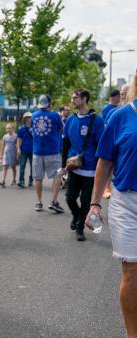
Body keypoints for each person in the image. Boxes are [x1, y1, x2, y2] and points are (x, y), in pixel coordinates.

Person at [85, 73, 137, 338]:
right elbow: (105, 161)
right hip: (126, 201)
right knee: (132, 271)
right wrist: (94, 203)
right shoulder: (120, 117)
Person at [62, 89, 104, 241]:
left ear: (84, 99)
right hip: (74, 167)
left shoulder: (96, 120)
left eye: (75, 97)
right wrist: (63, 166)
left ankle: (80, 228)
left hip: (90, 170)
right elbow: (65, 143)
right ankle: (77, 216)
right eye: (72, 97)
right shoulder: (70, 120)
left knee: (86, 201)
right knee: (70, 198)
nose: (72, 100)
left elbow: (101, 146)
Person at [31, 94, 65, 213]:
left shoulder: (33, 115)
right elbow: (62, 129)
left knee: (38, 178)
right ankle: (54, 201)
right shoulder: (55, 115)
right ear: (50, 103)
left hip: (37, 152)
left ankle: (39, 202)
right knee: (57, 175)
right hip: (52, 152)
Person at [103, 84, 129, 199]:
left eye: (125, 94)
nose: (122, 96)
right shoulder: (113, 111)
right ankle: (107, 188)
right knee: (110, 165)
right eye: (121, 94)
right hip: (115, 146)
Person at [17, 112, 33, 188]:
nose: (29, 119)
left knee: (33, 166)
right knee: (22, 165)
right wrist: (18, 149)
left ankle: (31, 179)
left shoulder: (35, 128)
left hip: (33, 150)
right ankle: (21, 181)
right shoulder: (21, 129)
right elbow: (19, 139)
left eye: (30, 117)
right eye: (27, 117)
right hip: (24, 149)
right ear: (25, 119)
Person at [0, 123, 18, 187]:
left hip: (13, 152)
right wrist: (1, 154)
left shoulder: (16, 136)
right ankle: (3, 180)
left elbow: (17, 145)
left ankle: (14, 179)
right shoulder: (5, 136)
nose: (8, 129)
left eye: (10, 128)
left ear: (13, 129)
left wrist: (18, 153)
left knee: (13, 167)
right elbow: (3, 145)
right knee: (5, 166)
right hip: (6, 153)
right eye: (7, 128)